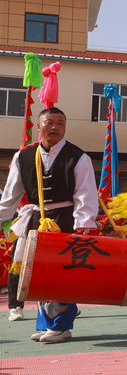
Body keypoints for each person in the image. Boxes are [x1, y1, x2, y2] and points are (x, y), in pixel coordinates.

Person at [0, 108, 98, 340]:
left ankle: (61, 326)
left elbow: (85, 193)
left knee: (61, 273)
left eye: (60, 123)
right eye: (50, 122)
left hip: (66, 220)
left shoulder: (78, 156)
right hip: (34, 219)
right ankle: (47, 324)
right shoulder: (22, 156)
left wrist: (83, 224)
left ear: (65, 127)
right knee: (38, 274)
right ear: (39, 125)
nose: (55, 126)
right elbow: (11, 193)